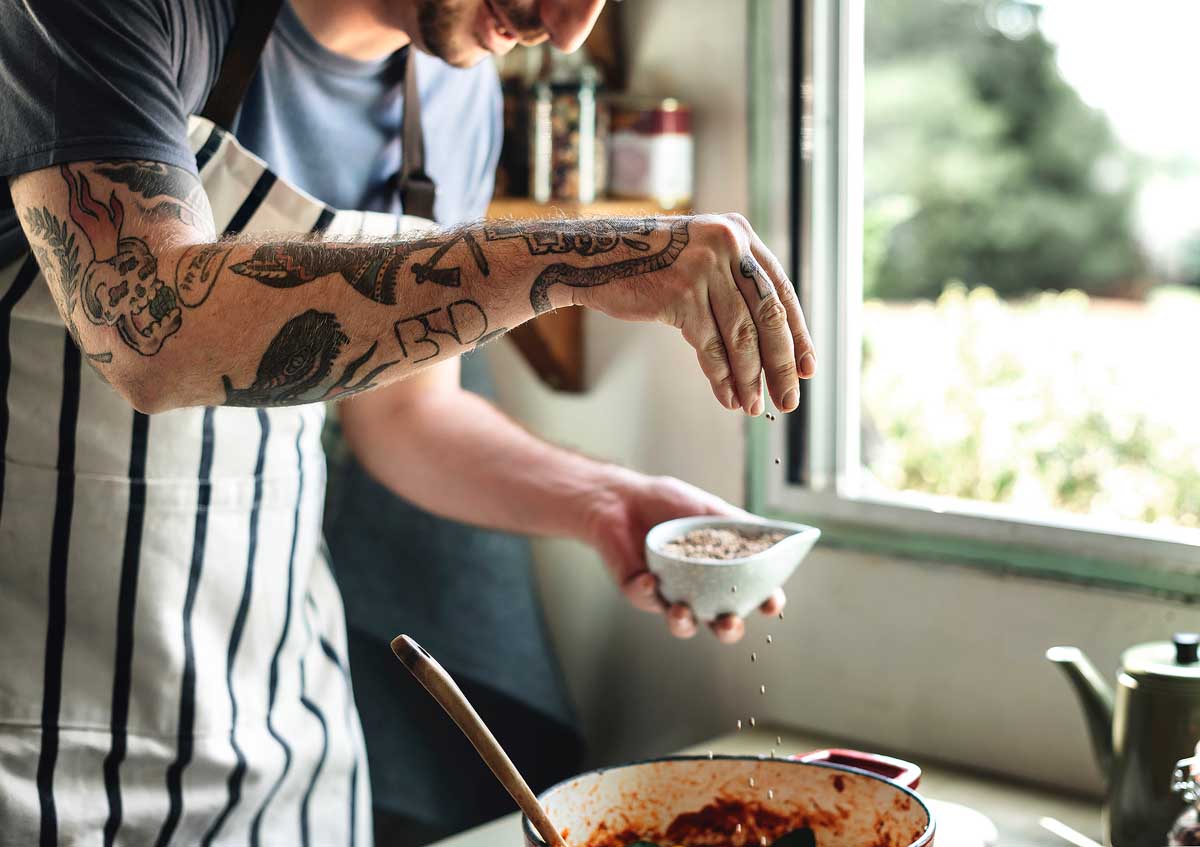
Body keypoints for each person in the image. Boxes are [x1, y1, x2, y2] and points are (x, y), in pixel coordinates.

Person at [0, 2, 817, 846]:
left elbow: (404, 413)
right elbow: (154, 335)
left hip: (282, 743)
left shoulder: (456, 97)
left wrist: (603, 500)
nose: (568, 30)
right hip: (34, 745)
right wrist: (564, 257)